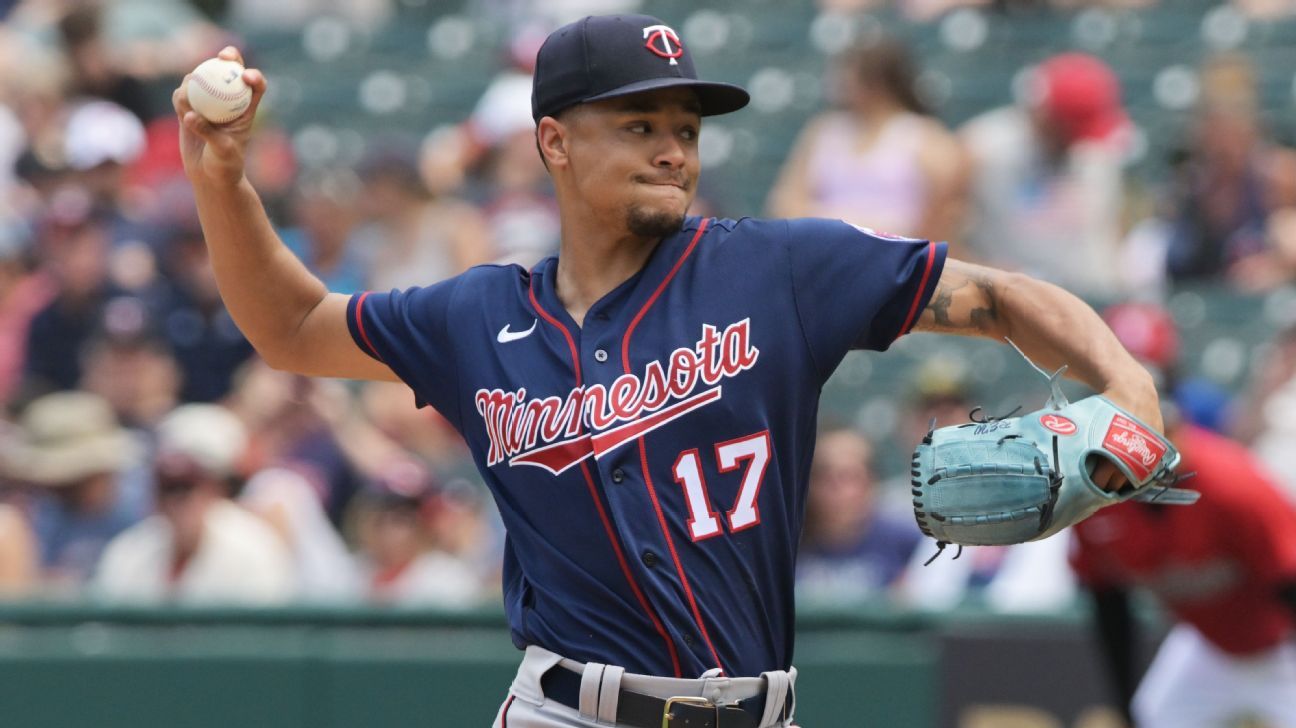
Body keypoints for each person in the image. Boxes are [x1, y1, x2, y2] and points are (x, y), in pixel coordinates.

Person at [173, 15, 1164, 727]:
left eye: (684, 129)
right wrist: (221, 182)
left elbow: (993, 296)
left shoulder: (778, 269)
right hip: (571, 708)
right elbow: (299, 323)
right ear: (554, 142)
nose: (672, 151)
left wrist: (1127, 385)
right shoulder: (476, 315)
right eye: (638, 125)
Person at [1069, 306, 1296, 727]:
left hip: (1282, 647)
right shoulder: (1092, 497)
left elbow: (1290, 583)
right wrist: (1126, 709)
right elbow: (1108, 605)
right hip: (1207, 646)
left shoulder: (1232, 483)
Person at [766, 37, 966, 247]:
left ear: (877, 80)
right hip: (825, 253)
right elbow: (784, 202)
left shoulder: (923, 136)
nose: (837, 82)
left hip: (897, 258)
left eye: (847, 73)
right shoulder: (823, 131)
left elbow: (946, 213)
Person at [93, 403, 295, 604]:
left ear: (215, 489)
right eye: (167, 487)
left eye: (186, 487)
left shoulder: (255, 547)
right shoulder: (130, 550)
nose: (175, 501)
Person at [795, 427, 920, 605]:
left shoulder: (907, 542)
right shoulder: (789, 544)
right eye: (823, 476)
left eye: (847, 476)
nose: (835, 488)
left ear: (871, 482)